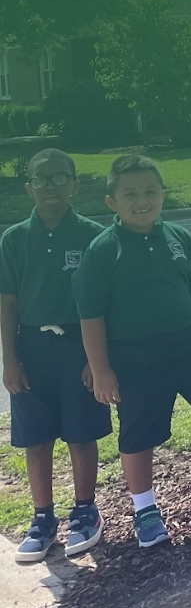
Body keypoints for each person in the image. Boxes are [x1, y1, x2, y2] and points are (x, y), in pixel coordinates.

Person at [73, 155, 191, 548]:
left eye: (150, 192)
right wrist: (101, 369)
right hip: (134, 356)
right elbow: (91, 316)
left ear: (163, 195)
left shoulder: (179, 238)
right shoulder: (103, 250)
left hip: (190, 345)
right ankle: (145, 510)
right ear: (111, 202)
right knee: (138, 431)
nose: (142, 200)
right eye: (130, 194)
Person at [1, 149, 110, 561]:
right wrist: (10, 358)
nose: (51, 186)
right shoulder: (14, 239)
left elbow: (104, 301)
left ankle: (85, 510)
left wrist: (95, 360)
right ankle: (42, 517)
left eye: (60, 177)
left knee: (81, 431)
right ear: (28, 187)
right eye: (41, 179)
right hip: (31, 346)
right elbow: (7, 302)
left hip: (79, 344)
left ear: (75, 185)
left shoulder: (90, 235)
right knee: (37, 434)